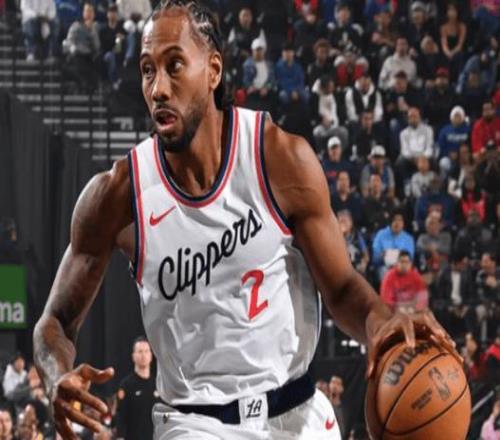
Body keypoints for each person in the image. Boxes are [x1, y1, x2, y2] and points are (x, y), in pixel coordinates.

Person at [33, 2, 454, 439]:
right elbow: (55, 321)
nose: (158, 88)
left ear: (213, 71)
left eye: (174, 66)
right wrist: (55, 374)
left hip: (298, 414)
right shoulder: (118, 194)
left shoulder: (279, 158)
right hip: (195, 423)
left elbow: (342, 287)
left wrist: (381, 321)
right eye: (147, 70)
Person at [116, 337, 158, 440]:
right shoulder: (126, 385)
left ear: (151, 356)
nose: (143, 355)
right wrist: (120, 437)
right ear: (133, 356)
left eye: (146, 351)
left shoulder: (158, 384)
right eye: (140, 351)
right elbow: (121, 416)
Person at [63, 2, 100, 91]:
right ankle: (84, 85)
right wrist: (73, 48)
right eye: (87, 11)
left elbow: (97, 46)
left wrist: (91, 30)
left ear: (94, 14)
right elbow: (69, 41)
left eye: (91, 11)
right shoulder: (76, 26)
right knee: (78, 61)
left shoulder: (97, 27)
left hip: (91, 56)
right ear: (83, 13)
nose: (89, 14)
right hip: (78, 54)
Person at [372, 210, 415, 281]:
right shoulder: (380, 235)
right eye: (395, 220)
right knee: (385, 272)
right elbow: (375, 259)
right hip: (384, 267)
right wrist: (381, 256)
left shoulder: (409, 238)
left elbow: (410, 259)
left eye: (400, 220)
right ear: (390, 222)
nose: (397, 223)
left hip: (402, 267)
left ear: (403, 223)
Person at [242, 38, 276, 114]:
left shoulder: (269, 64)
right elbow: (245, 80)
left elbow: (272, 80)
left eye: (260, 50)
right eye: (257, 50)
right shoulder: (247, 64)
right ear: (253, 51)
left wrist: (267, 88)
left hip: (266, 91)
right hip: (253, 91)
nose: (258, 52)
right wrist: (250, 87)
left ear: (264, 51)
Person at [437, 106, 470, 174]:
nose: (457, 118)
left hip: (464, 156)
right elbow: (441, 146)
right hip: (449, 157)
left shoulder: (468, 130)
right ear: (451, 117)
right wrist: (448, 153)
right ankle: (446, 179)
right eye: (455, 116)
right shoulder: (445, 130)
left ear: (463, 117)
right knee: (443, 162)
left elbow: (470, 144)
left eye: (459, 116)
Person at [338, 209, 369, 275]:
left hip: (357, 267)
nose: (343, 224)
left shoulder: (357, 236)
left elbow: (366, 254)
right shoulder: (336, 238)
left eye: (345, 221)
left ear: (351, 222)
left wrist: (363, 264)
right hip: (342, 269)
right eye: (341, 222)